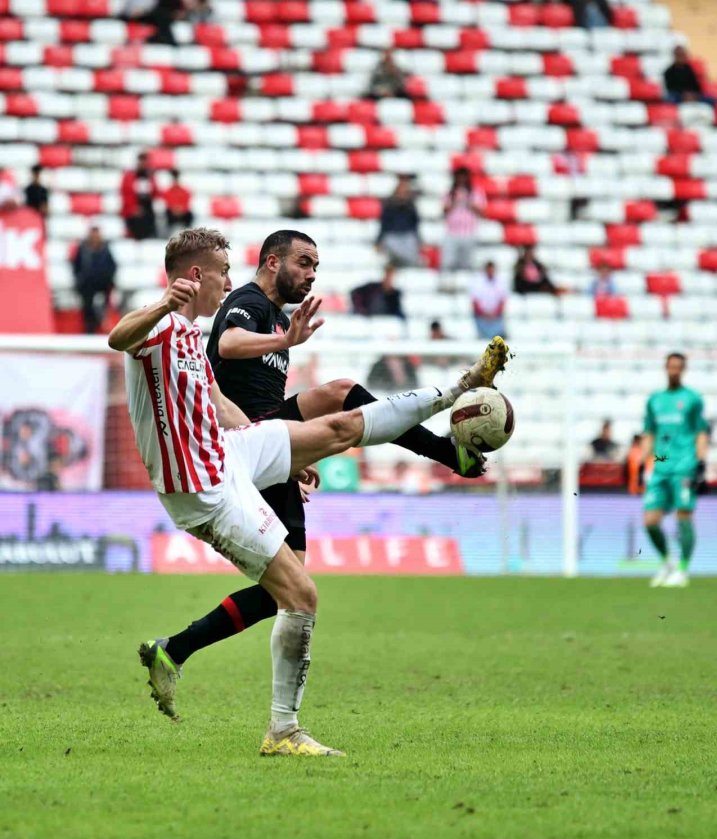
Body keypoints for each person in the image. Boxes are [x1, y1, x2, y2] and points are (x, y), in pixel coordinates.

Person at [109, 227, 510, 756]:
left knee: (339, 427)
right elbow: (118, 338)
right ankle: (282, 732)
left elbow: (220, 407)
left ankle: (457, 390)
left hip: (231, 453)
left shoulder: (189, 341)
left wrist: (284, 454)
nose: (230, 283)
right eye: (224, 272)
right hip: (201, 488)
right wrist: (164, 303)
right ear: (196, 275)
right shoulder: (160, 327)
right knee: (300, 595)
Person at [641, 352, 709, 588]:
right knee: (650, 520)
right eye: (671, 366)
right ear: (665, 368)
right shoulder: (655, 400)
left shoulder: (692, 399)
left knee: (683, 516)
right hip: (661, 467)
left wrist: (701, 462)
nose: (674, 371)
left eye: (679, 367)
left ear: (684, 369)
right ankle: (666, 562)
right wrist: (643, 461)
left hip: (684, 466)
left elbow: (701, 431)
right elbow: (649, 432)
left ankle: (682, 569)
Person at [71, 226, 117, 334]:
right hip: (86, 284)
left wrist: (108, 277)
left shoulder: (105, 248)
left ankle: (102, 323)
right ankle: (89, 328)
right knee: (87, 305)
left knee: (103, 303)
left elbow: (112, 266)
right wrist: (80, 278)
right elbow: (76, 265)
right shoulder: (83, 249)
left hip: (102, 283)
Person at [441, 167, 485, 277]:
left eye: (463, 177)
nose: (461, 180)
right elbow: (445, 210)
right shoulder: (450, 193)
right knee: (448, 263)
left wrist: (468, 202)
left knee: (467, 264)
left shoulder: (475, 193)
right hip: (452, 232)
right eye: (459, 177)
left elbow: (480, 211)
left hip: (468, 232)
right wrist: (455, 201)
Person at [376, 175, 421, 267]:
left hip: (407, 236)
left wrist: (419, 240)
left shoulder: (411, 206)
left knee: (411, 243)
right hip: (392, 236)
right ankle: (410, 262)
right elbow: (384, 224)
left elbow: (415, 224)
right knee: (390, 243)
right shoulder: (389, 205)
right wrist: (378, 241)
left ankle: (405, 262)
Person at [121, 151, 160, 240]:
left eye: (145, 161)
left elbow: (156, 193)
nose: (143, 164)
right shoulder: (129, 176)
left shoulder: (150, 176)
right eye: (141, 161)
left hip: (147, 208)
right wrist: (133, 208)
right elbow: (125, 193)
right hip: (133, 210)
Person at [470, 260, 508, 339]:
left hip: (496, 317)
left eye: (492, 270)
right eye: (489, 270)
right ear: (486, 270)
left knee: (499, 329)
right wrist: (484, 314)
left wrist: (495, 314)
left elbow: (502, 301)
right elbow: (475, 302)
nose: (490, 272)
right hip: (481, 316)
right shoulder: (477, 282)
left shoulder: (501, 282)